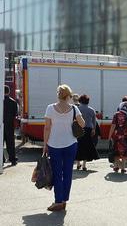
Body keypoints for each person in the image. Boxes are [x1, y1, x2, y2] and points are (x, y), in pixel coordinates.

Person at [43, 84, 85, 212]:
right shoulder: (74, 109)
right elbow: (83, 124)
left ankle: (58, 202)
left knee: (57, 173)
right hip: (71, 144)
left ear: (58, 95)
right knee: (68, 173)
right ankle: (64, 200)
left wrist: (45, 145)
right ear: (68, 96)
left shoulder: (50, 108)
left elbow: (47, 128)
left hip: (54, 145)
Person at [108, 102, 127, 173]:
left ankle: (116, 166)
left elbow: (113, 126)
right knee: (125, 153)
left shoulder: (116, 114)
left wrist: (109, 136)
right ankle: (123, 168)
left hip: (117, 136)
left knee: (116, 152)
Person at [75, 95, 99, 170]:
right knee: (87, 146)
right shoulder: (92, 110)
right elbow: (94, 122)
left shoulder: (77, 109)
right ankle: (84, 165)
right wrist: (94, 129)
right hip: (88, 129)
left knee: (78, 146)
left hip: (79, 129)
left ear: (80, 101)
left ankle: (78, 163)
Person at [3, 85, 18, 166]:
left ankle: (2, 159)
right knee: (10, 144)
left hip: (1, 125)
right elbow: (15, 114)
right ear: (8, 92)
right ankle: (12, 160)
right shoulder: (13, 102)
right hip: (9, 125)